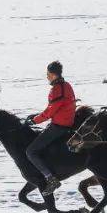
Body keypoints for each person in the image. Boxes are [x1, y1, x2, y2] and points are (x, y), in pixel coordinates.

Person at [25, 61, 77, 194]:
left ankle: (51, 178)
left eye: (48, 74)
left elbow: (50, 111)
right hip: (67, 123)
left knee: (31, 151)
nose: (47, 76)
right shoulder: (67, 85)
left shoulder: (57, 89)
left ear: (53, 74)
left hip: (59, 126)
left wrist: (34, 121)